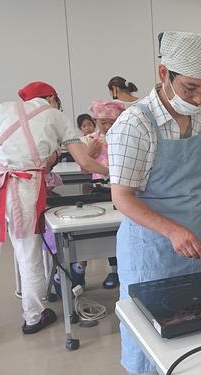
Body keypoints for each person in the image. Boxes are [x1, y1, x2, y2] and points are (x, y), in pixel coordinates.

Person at [107, 31, 201, 374]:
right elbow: (122, 198)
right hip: (153, 249)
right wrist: (172, 230)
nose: (200, 98)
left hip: (198, 240)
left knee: (197, 331)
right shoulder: (135, 123)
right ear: (164, 74)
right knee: (151, 334)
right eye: (191, 88)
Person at [0, 81, 108, 334]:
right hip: (21, 189)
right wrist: (114, 173)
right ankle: (33, 317)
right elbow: (85, 162)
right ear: (52, 98)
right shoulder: (56, 115)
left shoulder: (3, 108)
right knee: (28, 253)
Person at [84, 100, 125, 288]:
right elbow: (84, 169)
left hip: (122, 189)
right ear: (95, 120)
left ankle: (115, 271)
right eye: (103, 122)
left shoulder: (126, 136)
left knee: (119, 230)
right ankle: (79, 268)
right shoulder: (91, 140)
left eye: (112, 121)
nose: (107, 126)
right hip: (99, 188)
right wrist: (89, 154)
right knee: (99, 229)